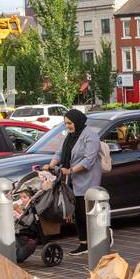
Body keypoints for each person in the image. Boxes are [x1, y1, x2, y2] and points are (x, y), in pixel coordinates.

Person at [45, 108, 103, 256]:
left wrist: (70, 170)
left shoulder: (91, 136)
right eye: (65, 123)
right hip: (73, 181)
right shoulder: (70, 136)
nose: (68, 126)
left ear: (77, 121)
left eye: (70, 123)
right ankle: (84, 244)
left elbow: (88, 160)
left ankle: (102, 236)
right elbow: (60, 153)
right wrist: (51, 165)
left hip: (88, 180)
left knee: (86, 213)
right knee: (77, 213)